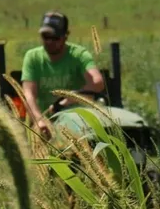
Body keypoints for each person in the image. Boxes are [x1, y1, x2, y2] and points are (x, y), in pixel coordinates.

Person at [20, 10, 105, 140]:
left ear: (66, 36)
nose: (49, 41)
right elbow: (28, 94)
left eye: (55, 38)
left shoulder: (79, 55)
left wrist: (70, 98)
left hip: (78, 125)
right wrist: (39, 121)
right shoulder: (32, 57)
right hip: (46, 125)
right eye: (45, 37)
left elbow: (97, 82)